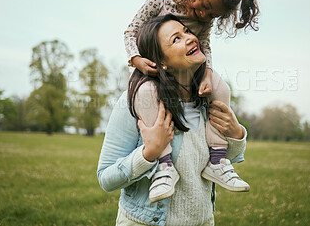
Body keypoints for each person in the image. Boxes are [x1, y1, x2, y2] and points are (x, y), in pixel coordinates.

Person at [98, 15, 248, 225]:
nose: (189, 38)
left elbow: (221, 162)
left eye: (187, 31)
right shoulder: (136, 101)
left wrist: (236, 134)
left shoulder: (208, 97)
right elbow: (106, 178)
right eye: (176, 39)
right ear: (161, 62)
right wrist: (149, 153)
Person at [124, 0, 258, 201]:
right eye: (204, 7)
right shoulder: (161, 0)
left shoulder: (203, 20)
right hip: (156, 70)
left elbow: (204, 45)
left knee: (220, 87)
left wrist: (207, 72)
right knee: (146, 93)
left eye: (212, 15)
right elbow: (131, 31)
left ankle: (217, 159)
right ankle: (164, 166)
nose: (204, 16)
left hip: (191, 72)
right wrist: (137, 60)